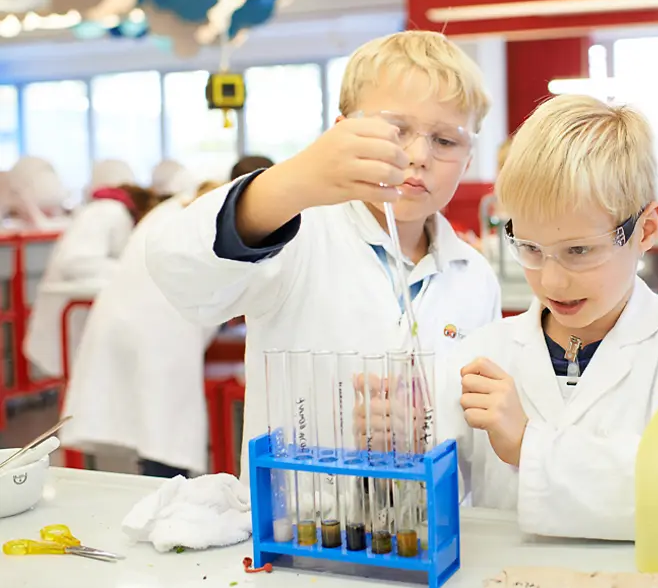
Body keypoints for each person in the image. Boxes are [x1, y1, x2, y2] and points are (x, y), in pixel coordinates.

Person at [146, 30, 500, 478]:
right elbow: (180, 271)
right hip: (298, 526)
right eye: (397, 130)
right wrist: (290, 182)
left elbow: (477, 429)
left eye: (446, 141)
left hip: (433, 530)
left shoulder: (475, 278)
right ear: (343, 133)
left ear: (469, 158)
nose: (418, 155)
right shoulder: (298, 236)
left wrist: (425, 431)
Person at [438, 95, 658, 539]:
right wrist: (392, 443)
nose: (552, 281)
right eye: (530, 248)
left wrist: (529, 446)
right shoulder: (484, 355)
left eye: (579, 251)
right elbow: (420, 508)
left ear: (645, 229)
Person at [60, 163, 263, 478]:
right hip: (161, 326)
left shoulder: (174, 208)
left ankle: (157, 490)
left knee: (151, 423)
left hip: (127, 317)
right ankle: (164, 499)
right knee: (163, 426)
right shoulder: (216, 210)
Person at [25, 183, 161, 379]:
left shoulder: (111, 212)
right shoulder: (109, 212)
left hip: (80, 314)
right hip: (68, 313)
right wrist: (133, 272)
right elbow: (76, 262)